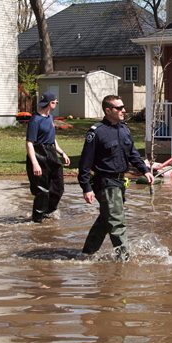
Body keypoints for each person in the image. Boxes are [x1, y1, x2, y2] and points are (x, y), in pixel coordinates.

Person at [79, 95, 154, 261]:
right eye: (119, 108)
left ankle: (86, 254)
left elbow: (133, 153)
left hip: (120, 181)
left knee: (106, 219)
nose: (123, 110)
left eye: (123, 107)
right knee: (116, 221)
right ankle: (124, 260)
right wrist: (86, 187)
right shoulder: (96, 132)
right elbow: (85, 162)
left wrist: (145, 170)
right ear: (108, 110)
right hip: (105, 182)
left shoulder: (124, 129)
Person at [26, 92, 71, 223]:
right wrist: (35, 163)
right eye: (55, 101)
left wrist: (62, 153)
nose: (56, 103)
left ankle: (48, 212)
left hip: (51, 153)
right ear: (50, 103)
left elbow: (51, 139)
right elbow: (29, 143)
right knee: (42, 190)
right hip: (39, 154)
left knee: (58, 187)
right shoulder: (35, 120)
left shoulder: (50, 117)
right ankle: (37, 220)